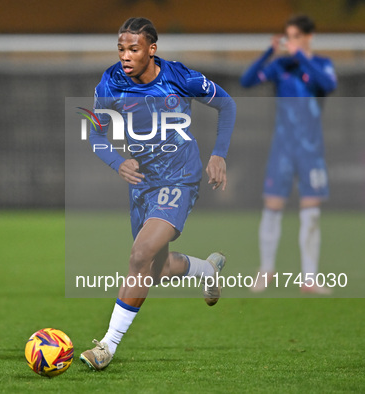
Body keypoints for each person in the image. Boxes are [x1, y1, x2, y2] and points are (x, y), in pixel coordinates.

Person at [79, 17, 236, 371]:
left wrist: (219, 154)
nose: (125, 56)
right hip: (143, 184)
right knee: (154, 266)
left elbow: (227, 105)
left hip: (179, 178)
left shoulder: (179, 77)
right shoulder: (110, 82)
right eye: (121, 48)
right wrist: (116, 162)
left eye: (133, 49)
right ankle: (206, 271)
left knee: (140, 254)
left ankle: (107, 346)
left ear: (152, 49)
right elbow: (94, 133)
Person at [240, 15, 336, 294]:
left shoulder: (321, 64)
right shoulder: (280, 66)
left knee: (311, 212)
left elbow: (327, 86)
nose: (289, 41)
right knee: (272, 207)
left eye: (294, 36)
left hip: (311, 149)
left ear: (308, 37)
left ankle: (309, 278)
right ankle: (266, 270)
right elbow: (246, 81)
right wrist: (269, 53)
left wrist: (302, 57)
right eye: (287, 36)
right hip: (283, 147)